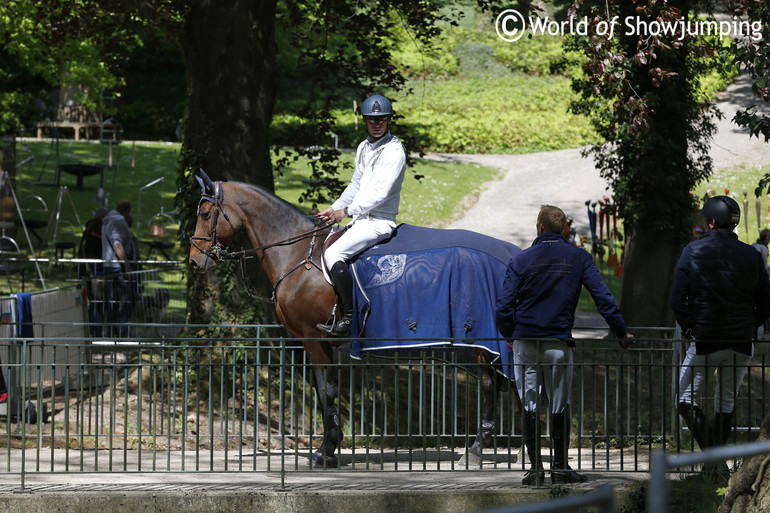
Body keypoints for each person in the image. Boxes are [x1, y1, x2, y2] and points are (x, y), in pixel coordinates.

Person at [495, 205, 633, 485]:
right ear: (563, 230)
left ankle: (535, 471)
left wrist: (510, 334)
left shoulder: (521, 260)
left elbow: (503, 307)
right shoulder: (578, 257)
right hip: (558, 341)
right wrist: (620, 332)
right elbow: (603, 298)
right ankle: (559, 467)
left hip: (525, 341)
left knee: (529, 404)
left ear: (540, 228)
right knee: (559, 403)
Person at [670, 196, 770, 466]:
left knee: (684, 398)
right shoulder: (752, 254)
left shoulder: (692, 251)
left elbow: (677, 300)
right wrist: (750, 326)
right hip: (741, 341)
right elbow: (766, 301)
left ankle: (714, 464)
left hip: (706, 339)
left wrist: (691, 327)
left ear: (711, 222)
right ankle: (716, 465)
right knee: (725, 400)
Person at [316, 94, 406, 337]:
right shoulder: (364, 148)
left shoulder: (394, 151)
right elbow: (356, 185)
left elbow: (379, 194)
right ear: (365, 121)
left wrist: (344, 212)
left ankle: (349, 318)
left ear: (389, 121)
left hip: (378, 222)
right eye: (371, 120)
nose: (376, 124)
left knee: (334, 253)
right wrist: (333, 208)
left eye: (382, 120)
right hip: (359, 220)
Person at [97, 200, 138, 337]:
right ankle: (120, 328)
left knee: (113, 300)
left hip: (109, 265)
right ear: (126, 211)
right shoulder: (119, 221)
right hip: (117, 267)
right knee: (133, 295)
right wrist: (126, 264)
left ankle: (112, 330)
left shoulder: (107, 221)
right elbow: (118, 244)